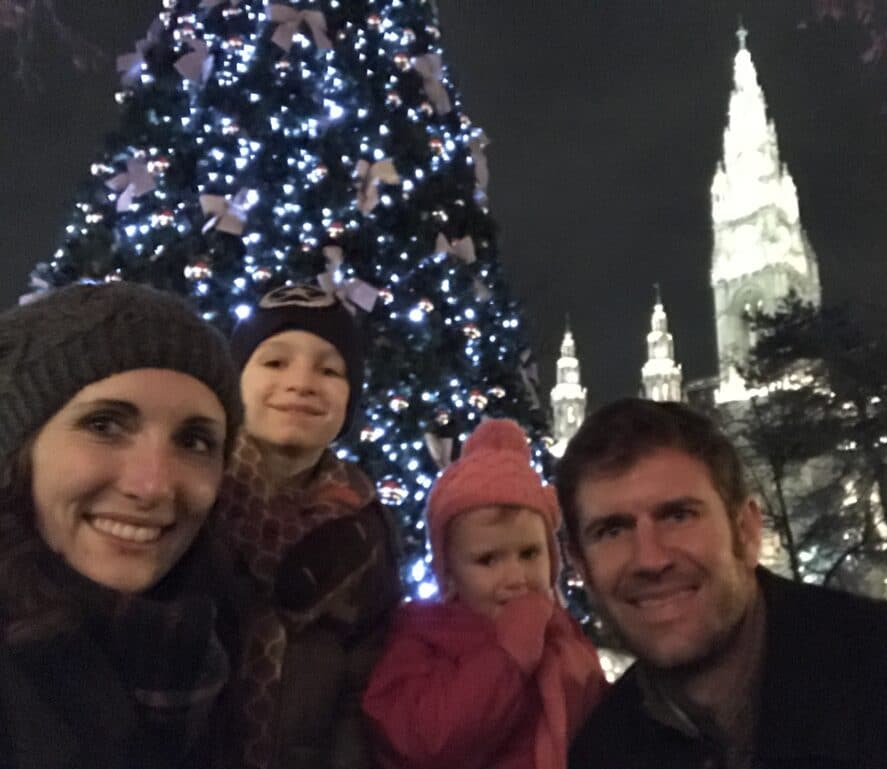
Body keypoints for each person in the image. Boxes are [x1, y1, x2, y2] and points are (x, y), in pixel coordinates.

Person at [556, 398, 887, 769]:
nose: (651, 559)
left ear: (746, 531)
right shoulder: (601, 753)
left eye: (678, 515)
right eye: (612, 530)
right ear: (578, 563)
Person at [0, 282, 244, 769]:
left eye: (195, 442)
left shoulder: (210, 645)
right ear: (16, 450)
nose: (153, 486)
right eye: (104, 425)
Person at [213, 284, 402, 769]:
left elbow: (361, 693)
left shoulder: (367, 532)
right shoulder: (192, 497)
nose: (301, 383)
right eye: (275, 362)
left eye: (329, 369)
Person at [363, 418, 607, 769]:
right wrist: (506, 659)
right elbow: (422, 738)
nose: (516, 578)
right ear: (450, 575)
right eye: (488, 560)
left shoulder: (563, 635)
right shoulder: (423, 637)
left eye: (529, 553)